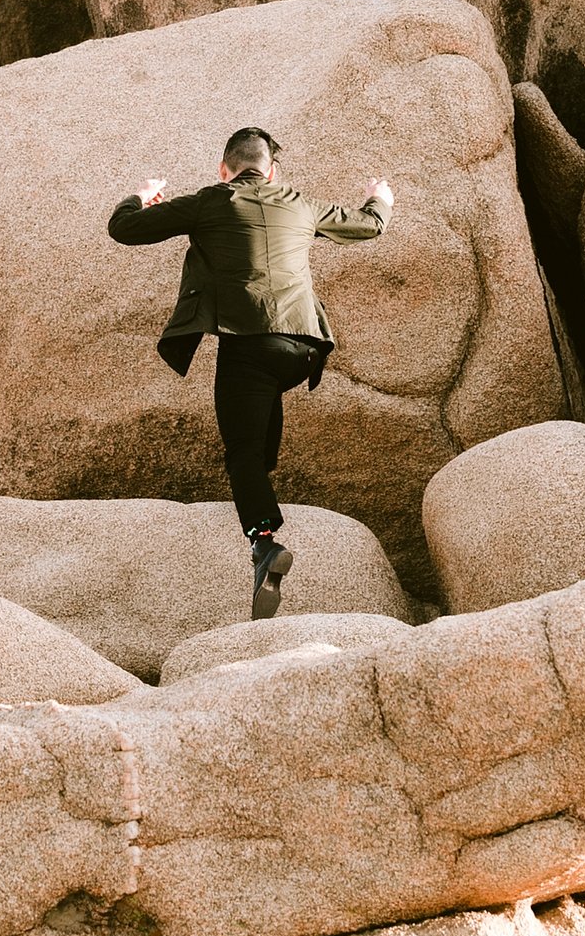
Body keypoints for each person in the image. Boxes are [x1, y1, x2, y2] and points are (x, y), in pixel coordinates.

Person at [106, 126, 393, 619]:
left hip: (249, 347)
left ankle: (263, 542)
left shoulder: (209, 201)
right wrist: (380, 197)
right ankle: (262, 478)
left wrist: (143, 196)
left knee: (242, 450)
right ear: (271, 171)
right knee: (259, 418)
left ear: (225, 169)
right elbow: (370, 225)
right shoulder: (301, 204)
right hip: (303, 350)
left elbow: (124, 227)